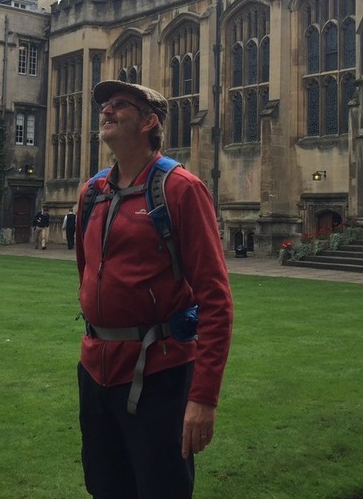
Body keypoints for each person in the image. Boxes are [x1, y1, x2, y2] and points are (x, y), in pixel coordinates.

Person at [75, 80, 233, 499]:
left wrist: (203, 398)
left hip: (159, 374)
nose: (107, 111)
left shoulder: (181, 189)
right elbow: (87, 274)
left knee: (161, 490)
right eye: (105, 105)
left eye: (120, 105)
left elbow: (215, 299)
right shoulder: (92, 193)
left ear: (150, 121)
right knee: (105, 487)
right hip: (94, 371)